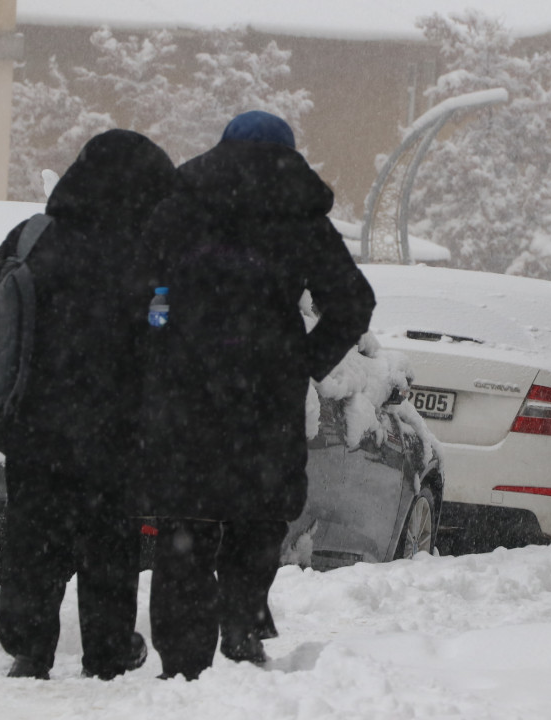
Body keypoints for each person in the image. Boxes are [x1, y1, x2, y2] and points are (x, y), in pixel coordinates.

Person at [136, 111, 375, 680]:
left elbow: (140, 285)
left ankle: (182, 658)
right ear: (288, 153)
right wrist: (304, 362)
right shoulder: (302, 218)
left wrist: (159, 345)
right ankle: (242, 626)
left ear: (224, 145)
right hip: (265, 394)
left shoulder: (181, 203)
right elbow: (353, 303)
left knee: (185, 519)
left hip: (186, 389)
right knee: (259, 514)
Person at [0, 129, 177, 680]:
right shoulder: (149, 252)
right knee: (110, 543)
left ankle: (29, 647)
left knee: (32, 535)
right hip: (115, 430)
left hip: (31, 423)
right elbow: (164, 340)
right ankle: (109, 649)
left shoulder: (31, 236)